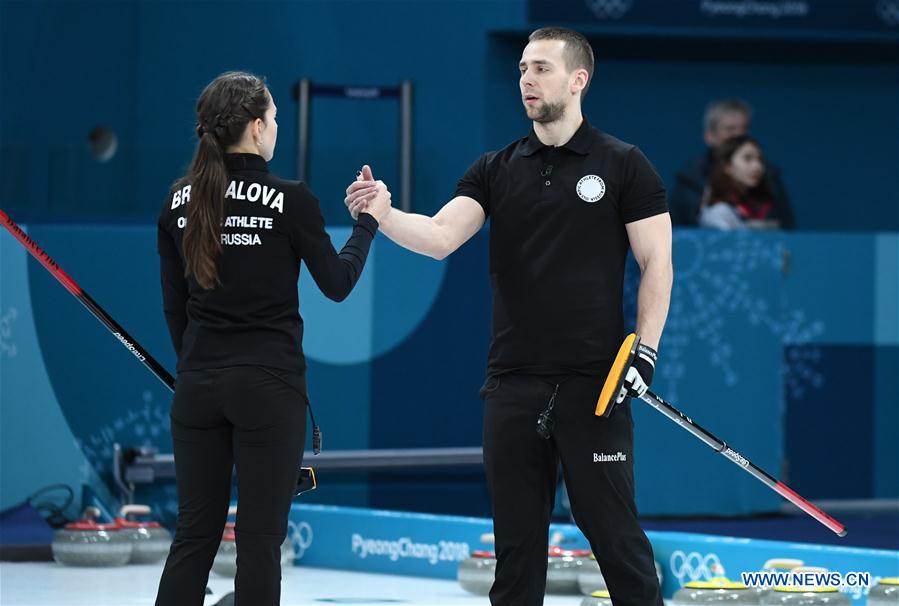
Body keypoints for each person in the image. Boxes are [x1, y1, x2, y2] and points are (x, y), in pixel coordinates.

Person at [346, 28, 670, 606]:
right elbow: (443, 236)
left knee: (616, 540)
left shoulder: (625, 164)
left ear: (578, 80)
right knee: (516, 550)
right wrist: (386, 213)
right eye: (522, 68)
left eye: (541, 68)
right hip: (513, 384)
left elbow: (658, 263)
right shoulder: (495, 168)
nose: (526, 78)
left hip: (595, 385)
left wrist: (643, 352)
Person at [154, 71, 391, 606]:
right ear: (258, 128)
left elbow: (176, 309)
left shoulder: (176, 202)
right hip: (268, 387)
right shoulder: (290, 198)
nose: (276, 127)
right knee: (260, 542)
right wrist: (368, 223)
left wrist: (195, 368)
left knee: (193, 536)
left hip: (198, 387)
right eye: (276, 118)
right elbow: (337, 283)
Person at [669, 98, 795, 229]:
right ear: (709, 136)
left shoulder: (769, 177)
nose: (739, 135)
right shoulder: (690, 179)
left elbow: (787, 229)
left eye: (744, 128)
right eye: (730, 129)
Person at [699, 135, 785, 229]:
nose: (757, 167)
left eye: (760, 159)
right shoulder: (718, 212)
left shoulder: (769, 203)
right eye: (747, 159)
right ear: (728, 166)